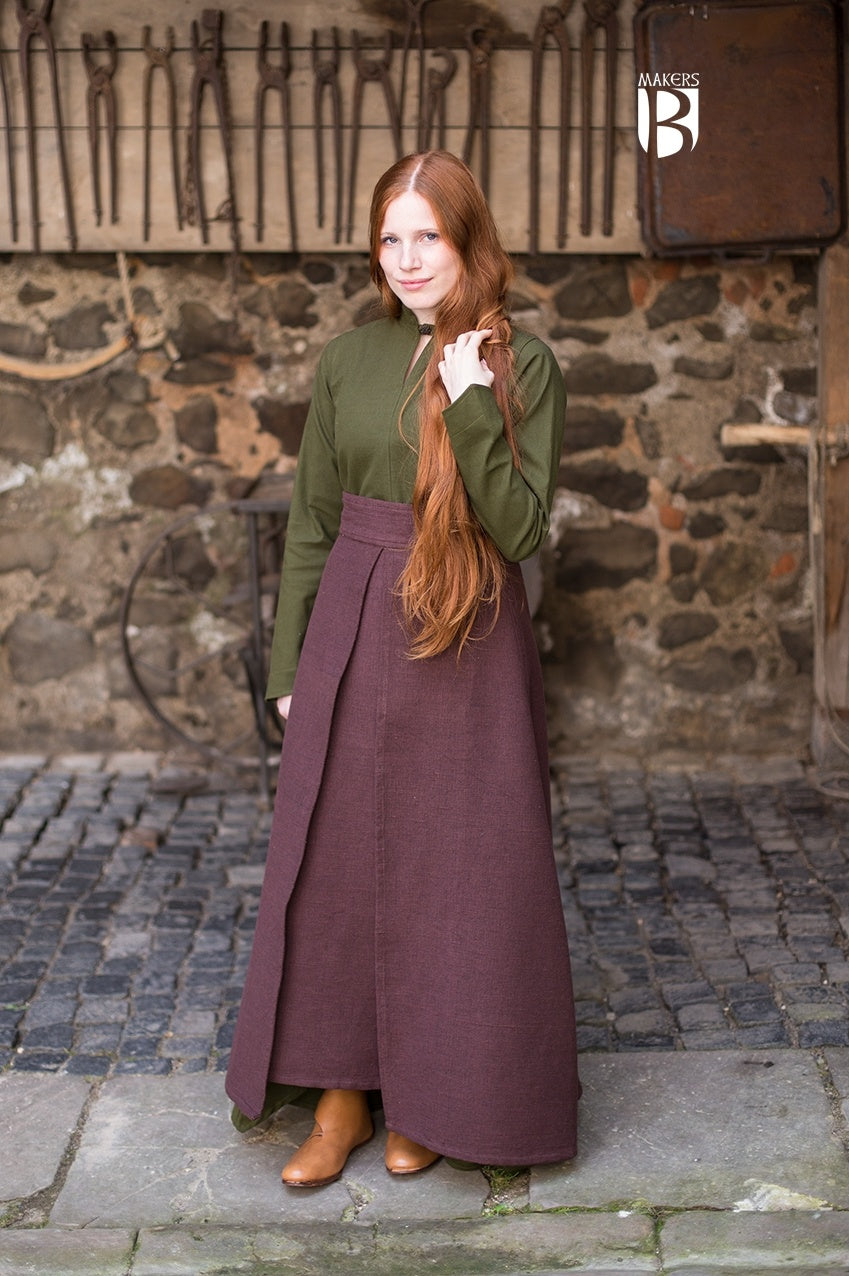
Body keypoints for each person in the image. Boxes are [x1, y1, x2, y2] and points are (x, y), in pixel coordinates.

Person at [226, 150, 579, 1187]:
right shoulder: (347, 361)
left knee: (460, 871)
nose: (408, 257)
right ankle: (338, 1100)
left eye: (428, 234)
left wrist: (468, 398)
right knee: (336, 867)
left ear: (470, 241)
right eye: (391, 237)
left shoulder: (527, 365)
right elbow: (311, 526)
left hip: (468, 628)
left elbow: (518, 528)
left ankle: (432, 1098)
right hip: (351, 618)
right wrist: (293, 662)